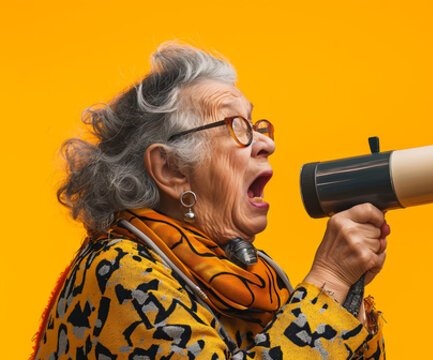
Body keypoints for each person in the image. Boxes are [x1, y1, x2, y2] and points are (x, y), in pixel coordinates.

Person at [32, 42, 388, 359]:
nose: (267, 144)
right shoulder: (119, 272)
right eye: (236, 126)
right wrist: (329, 278)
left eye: (256, 125)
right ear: (171, 169)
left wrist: (349, 292)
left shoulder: (248, 276)